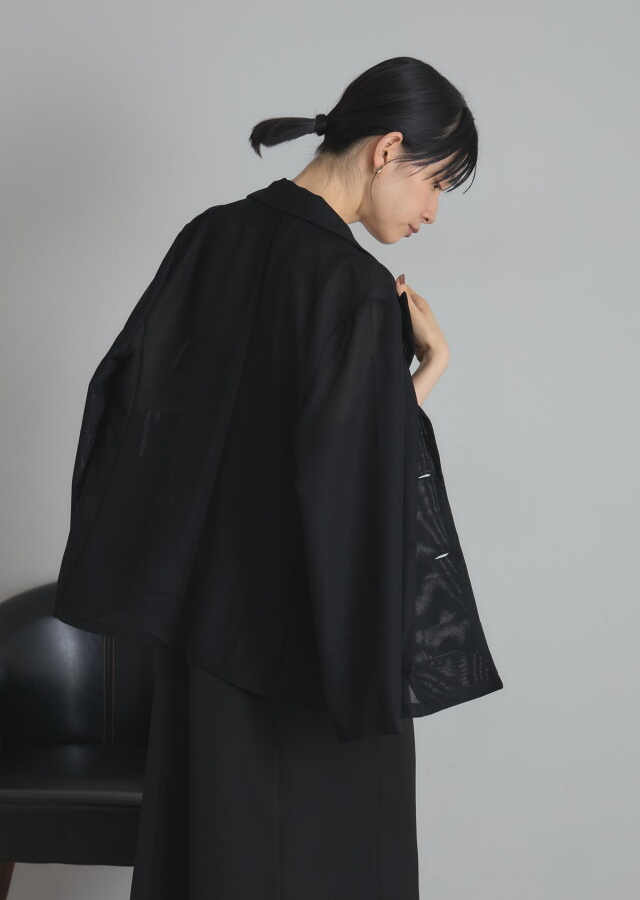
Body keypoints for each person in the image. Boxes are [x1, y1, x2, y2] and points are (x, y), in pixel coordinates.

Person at [51, 55, 503, 899]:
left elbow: (133, 408)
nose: (433, 212)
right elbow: (353, 475)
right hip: (312, 650)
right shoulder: (355, 288)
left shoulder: (208, 238)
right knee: (336, 862)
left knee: (213, 858)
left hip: (202, 639)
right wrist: (430, 367)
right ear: (388, 149)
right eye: (435, 183)